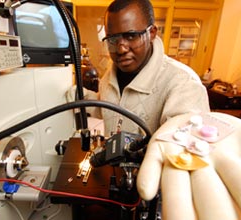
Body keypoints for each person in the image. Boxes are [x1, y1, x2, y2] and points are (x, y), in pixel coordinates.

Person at [70, 0, 210, 137]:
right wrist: (81, 96)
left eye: (131, 36)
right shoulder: (110, 76)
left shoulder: (184, 84)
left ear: (152, 33)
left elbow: (183, 151)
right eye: (113, 39)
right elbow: (110, 108)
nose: (121, 49)